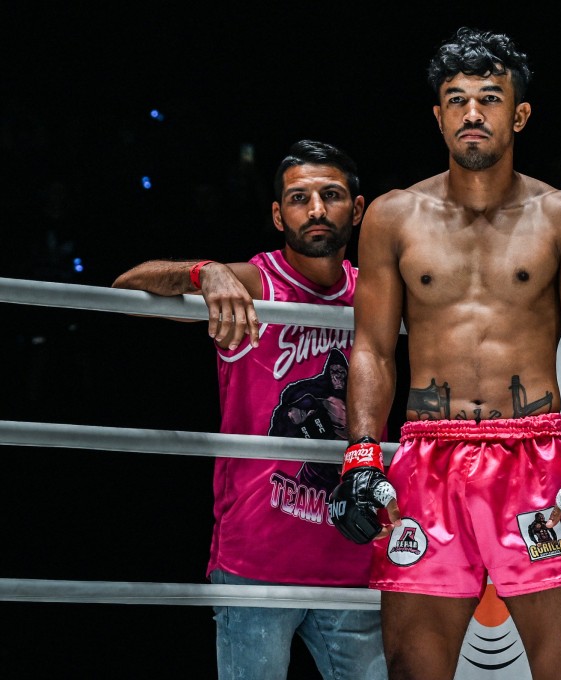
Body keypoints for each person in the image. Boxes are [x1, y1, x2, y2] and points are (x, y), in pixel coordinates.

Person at [326, 27, 561, 680]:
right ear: (437, 116)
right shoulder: (391, 217)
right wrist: (359, 455)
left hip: (538, 456)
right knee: (414, 669)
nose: (471, 113)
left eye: (489, 98)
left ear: (518, 112)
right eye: (456, 99)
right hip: (426, 459)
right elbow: (374, 349)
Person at [112, 139, 386, 680]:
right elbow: (126, 288)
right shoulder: (254, 284)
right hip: (256, 559)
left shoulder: (376, 296)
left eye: (330, 195)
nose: (315, 209)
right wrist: (205, 272)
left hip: (352, 553)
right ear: (278, 213)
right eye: (298, 197)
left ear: (356, 209)